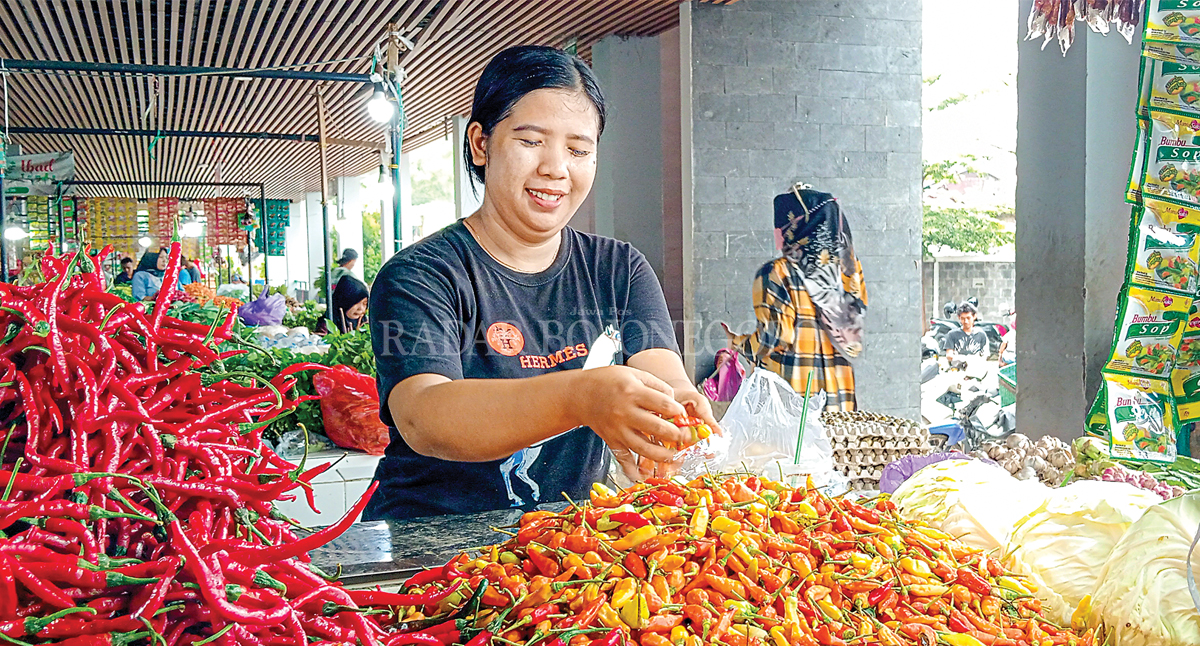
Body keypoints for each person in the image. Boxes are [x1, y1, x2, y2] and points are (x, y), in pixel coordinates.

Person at [365, 45, 717, 521]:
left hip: (561, 548)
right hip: (428, 543)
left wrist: (676, 409)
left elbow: (663, 373)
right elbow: (425, 416)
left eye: (578, 150)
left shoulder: (619, 269)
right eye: (531, 141)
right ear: (480, 144)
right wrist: (583, 396)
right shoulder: (423, 274)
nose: (556, 168)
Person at [727, 187, 868, 412]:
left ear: (793, 226)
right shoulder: (848, 272)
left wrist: (740, 344)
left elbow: (777, 337)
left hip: (794, 411)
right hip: (841, 407)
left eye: (779, 226)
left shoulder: (777, 272)